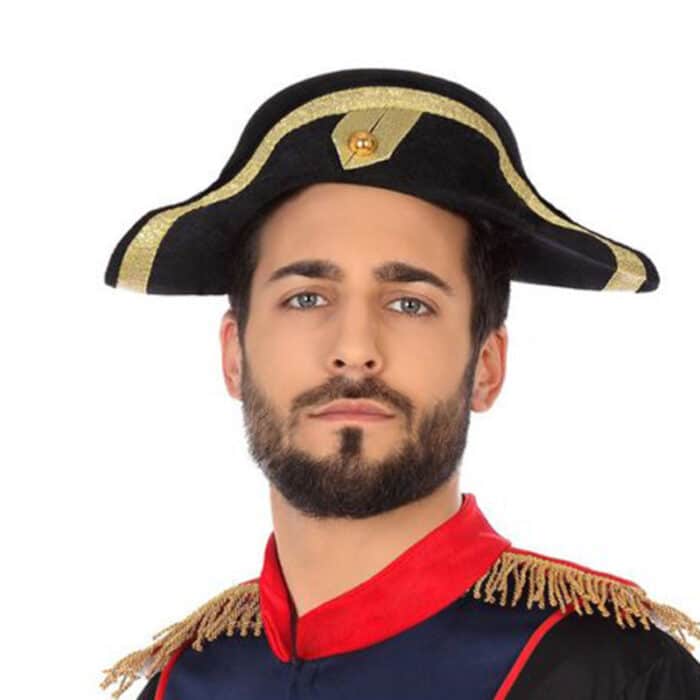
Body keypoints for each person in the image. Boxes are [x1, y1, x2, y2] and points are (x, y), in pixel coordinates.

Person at [99, 68, 700, 699]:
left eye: (410, 303)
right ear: (234, 357)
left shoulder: (614, 675)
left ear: (486, 366)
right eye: (306, 298)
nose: (354, 349)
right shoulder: (183, 683)